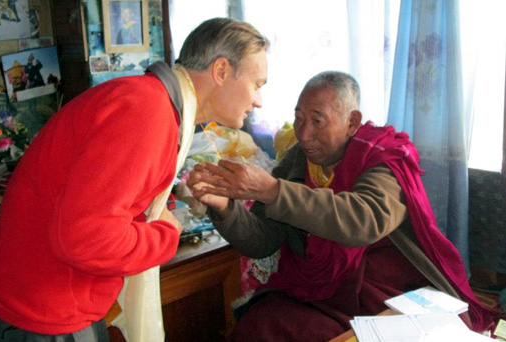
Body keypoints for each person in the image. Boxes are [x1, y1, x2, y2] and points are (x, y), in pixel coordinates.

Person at [0, 17, 269, 341]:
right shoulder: (147, 112)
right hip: (43, 311)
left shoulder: (154, 103)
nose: (259, 100)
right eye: (257, 84)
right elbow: (84, 239)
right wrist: (167, 233)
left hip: (50, 298)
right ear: (221, 71)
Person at [187, 71, 501, 341]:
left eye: (317, 121)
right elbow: (262, 239)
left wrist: (273, 190)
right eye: (298, 118)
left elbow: (363, 219)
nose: (304, 133)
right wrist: (225, 208)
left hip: (386, 293)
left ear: (352, 122)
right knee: (259, 325)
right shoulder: (298, 160)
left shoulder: (381, 158)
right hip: (323, 292)